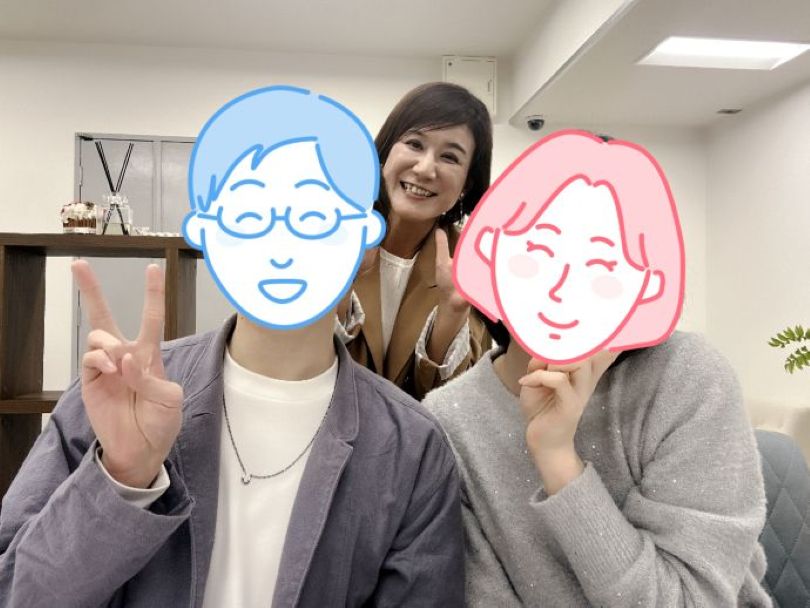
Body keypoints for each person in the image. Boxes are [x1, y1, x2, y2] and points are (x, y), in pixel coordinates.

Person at [0, 85, 464, 607]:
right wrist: (122, 478)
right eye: (249, 218)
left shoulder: (411, 446)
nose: (282, 248)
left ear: (364, 241)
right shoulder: (117, 398)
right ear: (207, 231)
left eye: (313, 219)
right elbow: (17, 592)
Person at [423, 131, 771, 606]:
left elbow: (692, 598)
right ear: (490, 248)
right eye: (537, 255)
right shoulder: (449, 419)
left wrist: (559, 460)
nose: (561, 288)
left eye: (602, 268)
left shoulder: (686, 378)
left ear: (648, 284)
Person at [337, 82, 493, 400]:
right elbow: (300, 359)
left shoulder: (470, 265)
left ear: (467, 184)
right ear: (385, 152)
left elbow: (457, 401)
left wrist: (452, 313)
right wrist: (341, 281)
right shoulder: (334, 232)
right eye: (414, 144)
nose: (424, 169)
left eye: (449, 157)